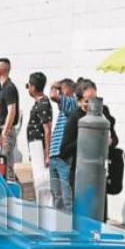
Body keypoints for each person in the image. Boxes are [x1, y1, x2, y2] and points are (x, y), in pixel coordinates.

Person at [48, 78, 78, 211]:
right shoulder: (65, 107)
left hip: (63, 158)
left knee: (66, 198)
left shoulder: (72, 102)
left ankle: (68, 226)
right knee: (56, 197)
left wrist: (55, 85)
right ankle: (58, 225)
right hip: (55, 156)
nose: (59, 92)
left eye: (62, 89)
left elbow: (53, 96)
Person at [25, 71, 53, 206]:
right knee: (37, 177)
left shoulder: (43, 103)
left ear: (33, 87)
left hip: (39, 144)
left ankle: (45, 206)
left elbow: (47, 129)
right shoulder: (39, 103)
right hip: (35, 144)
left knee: (42, 178)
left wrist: (47, 153)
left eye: (28, 85)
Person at [0, 58, 19, 179]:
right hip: (0, 130)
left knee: (6, 163)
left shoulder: (9, 87)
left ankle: (10, 189)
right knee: (1, 163)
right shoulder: (1, 87)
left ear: (1, 69)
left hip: (6, 130)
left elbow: (11, 111)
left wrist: (4, 132)